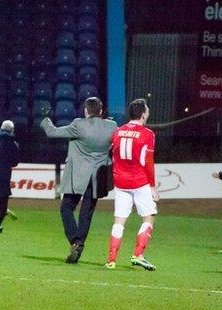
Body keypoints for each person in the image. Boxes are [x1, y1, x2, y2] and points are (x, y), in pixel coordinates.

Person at [40, 97, 117, 263]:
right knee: (86, 214)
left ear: (86, 111)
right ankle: (79, 243)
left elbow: (52, 132)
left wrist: (46, 119)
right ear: (101, 111)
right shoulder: (112, 126)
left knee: (66, 208)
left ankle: (75, 241)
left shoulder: (78, 124)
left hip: (78, 176)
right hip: (98, 176)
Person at [106, 98, 159, 271]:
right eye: (148, 110)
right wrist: (152, 187)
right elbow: (149, 163)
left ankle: (111, 260)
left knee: (119, 221)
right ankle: (138, 254)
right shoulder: (148, 134)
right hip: (139, 181)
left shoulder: (117, 132)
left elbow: (112, 155)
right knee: (149, 216)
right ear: (143, 114)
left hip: (120, 182)